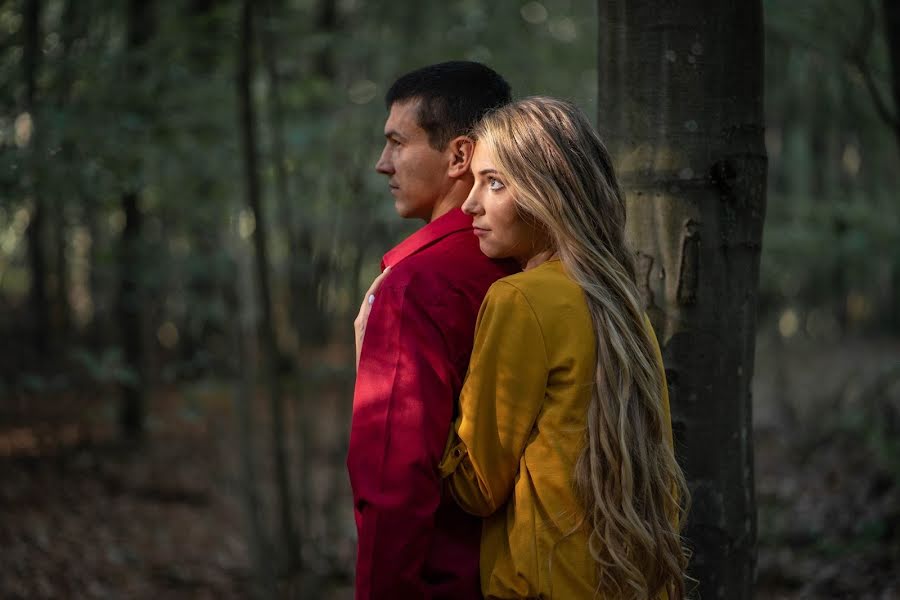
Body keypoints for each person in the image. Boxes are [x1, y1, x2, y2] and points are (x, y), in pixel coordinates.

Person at [358, 97, 690, 599]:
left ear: (547, 193)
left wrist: (394, 373)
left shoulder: (520, 298)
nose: (471, 203)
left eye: (494, 183)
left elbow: (476, 486)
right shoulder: (621, 300)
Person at [347, 61, 517, 599]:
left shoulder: (415, 289)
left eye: (398, 142)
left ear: (459, 156)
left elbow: (394, 478)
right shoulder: (534, 263)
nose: (382, 163)